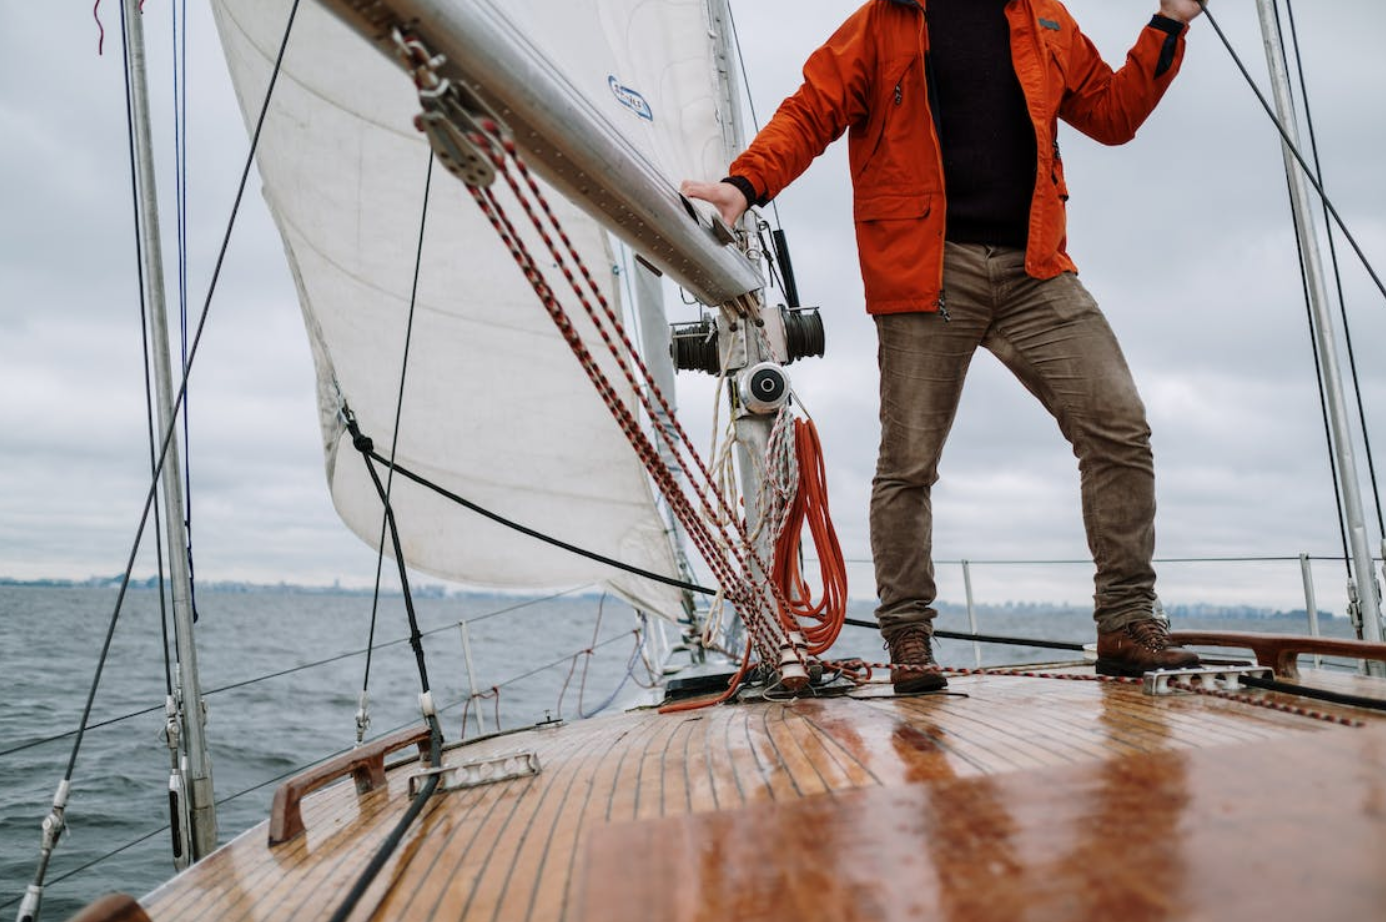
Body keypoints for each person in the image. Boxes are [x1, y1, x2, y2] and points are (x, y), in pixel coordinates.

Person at [683, 0, 1204, 691]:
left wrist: (1168, 22)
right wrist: (745, 184)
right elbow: (812, 109)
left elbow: (1111, 114)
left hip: (1036, 268)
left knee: (1118, 425)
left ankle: (1126, 620)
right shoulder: (882, 23)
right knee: (909, 464)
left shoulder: (1043, 17)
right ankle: (908, 636)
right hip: (927, 268)